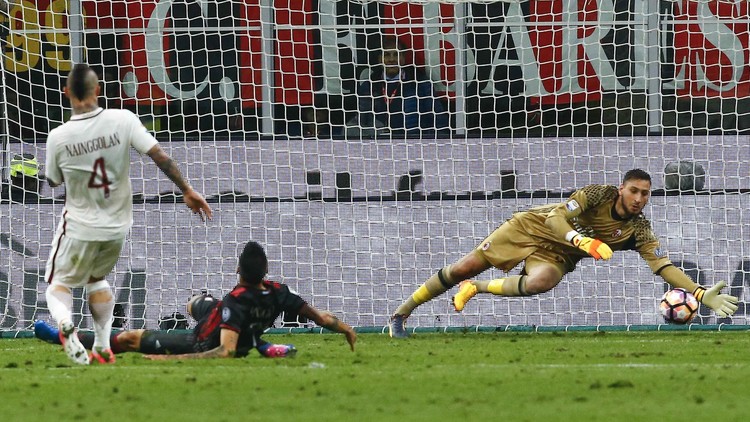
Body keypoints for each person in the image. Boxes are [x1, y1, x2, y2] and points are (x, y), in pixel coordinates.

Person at [388, 169, 739, 338]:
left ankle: (478, 289)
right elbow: (556, 217)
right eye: (634, 191)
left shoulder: (639, 230)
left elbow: (663, 266)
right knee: (463, 267)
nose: (639, 198)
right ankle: (401, 315)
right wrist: (582, 241)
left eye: (645, 194)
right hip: (531, 227)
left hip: (558, 256)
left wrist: (699, 294)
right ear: (621, 189)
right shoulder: (598, 194)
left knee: (540, 282)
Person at [44, 63, 213, 364]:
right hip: (116, 225)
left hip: (80, 223)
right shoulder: (123, 119)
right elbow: (160, 156)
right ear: (98, 90)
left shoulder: (59, 136)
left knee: (58, 283)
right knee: (96, 280)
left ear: (67, 92)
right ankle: (101, 345)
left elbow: (53, 180)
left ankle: (66, 325)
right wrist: (187, 189)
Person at [35, 240, 357, 360]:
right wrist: (345, 329)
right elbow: (321, 317)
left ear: (238, 270)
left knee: (132, 338)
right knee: (196, 303)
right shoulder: (278, 291)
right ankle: (261, 344)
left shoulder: (236, 301)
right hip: (222, 316)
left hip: (200, 340)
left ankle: (64, 338)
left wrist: (171, 360)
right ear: (265, 271)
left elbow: (225, 351)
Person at [352, 35, 449, 137]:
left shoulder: (420, 83)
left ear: (403, 59)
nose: (391, 59)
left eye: (396, 54)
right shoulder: (369, 86)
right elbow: (361, 122)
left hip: (413, 143)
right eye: (387, 55)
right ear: (380, 59)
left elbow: (439, 122)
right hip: (380, 143)